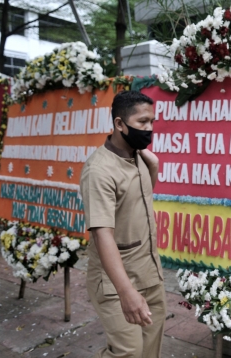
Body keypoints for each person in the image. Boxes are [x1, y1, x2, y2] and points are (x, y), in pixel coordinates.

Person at [80, 91, 165, 358]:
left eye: (152, 121)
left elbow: (136, 202)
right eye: (142, 122)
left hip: (150, 272)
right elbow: (102, 234)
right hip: (117, 281)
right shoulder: (99, 171)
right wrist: (126, 292)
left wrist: (153, 167)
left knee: (150, 351)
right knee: (128, 352)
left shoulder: (139, 156)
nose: (149, 128)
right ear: (119, 124)